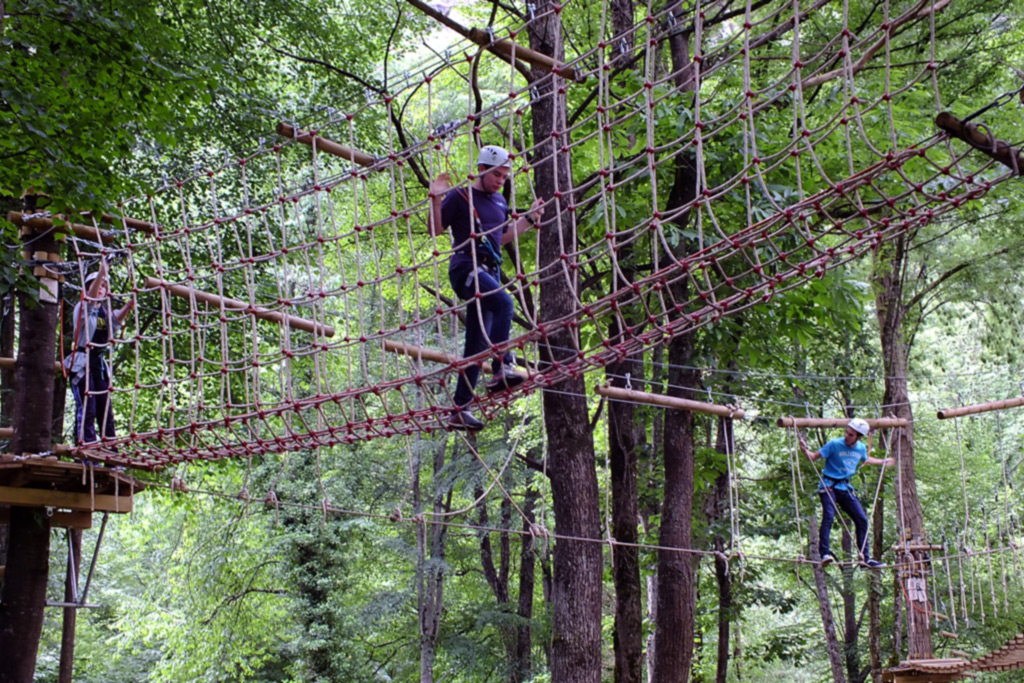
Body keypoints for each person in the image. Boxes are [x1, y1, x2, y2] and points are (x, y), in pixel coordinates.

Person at [429, 145, 545, 431]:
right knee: (505, 303)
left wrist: (529, 219)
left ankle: (459, 409)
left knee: (477, 346)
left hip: (489, 271)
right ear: (481, 170)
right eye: (496, 175)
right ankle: (502, 366)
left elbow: (501, 237)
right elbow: (436, 229)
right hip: (466, 267)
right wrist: (435, 197)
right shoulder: (460, 196)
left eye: (505, 177)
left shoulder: (500, 203)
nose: (500, 181)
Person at [799, 418, 894, 569]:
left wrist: (883, 462)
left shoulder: (861, 448)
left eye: (851, 435)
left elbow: (866, 459)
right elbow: (814, 457)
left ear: (858, 437)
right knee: (828, 517)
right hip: (829, 486)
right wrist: (804, 450)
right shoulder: (835, 444)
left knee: (862, 520)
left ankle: (865, 559)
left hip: (845, 488)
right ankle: (825, 553)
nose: (847, 436)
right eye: (847, 432)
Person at [64, 259, 134, 447]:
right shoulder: (83, 307)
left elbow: (114, 322)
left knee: (105, 410)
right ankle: (87, 450)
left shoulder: (104, 312)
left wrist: (128, 306)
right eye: (98, 285)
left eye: (105, 286)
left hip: (98, 364)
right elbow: (91, 301)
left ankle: (110, 453)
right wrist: (102, 272)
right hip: (82, 362)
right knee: (88, 409)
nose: (102, 288)